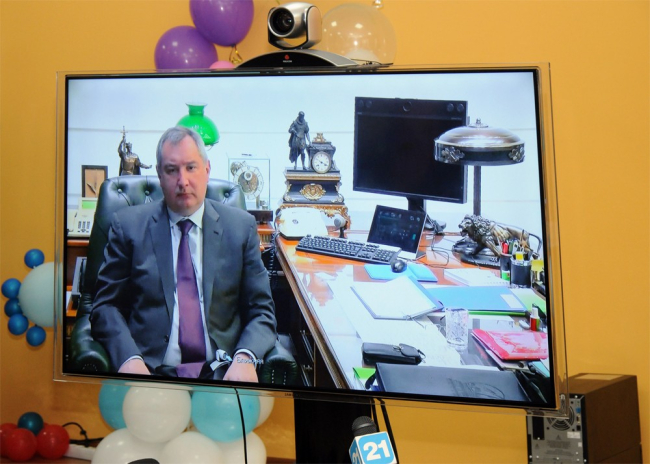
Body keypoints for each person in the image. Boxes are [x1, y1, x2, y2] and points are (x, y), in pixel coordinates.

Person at [90, 126, 277, 382]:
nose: (183, 181)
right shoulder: (128, 227)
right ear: (159, 174)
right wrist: (129, 358)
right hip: (150, 371)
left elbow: (262, 311)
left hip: (222, 372)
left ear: (207, 170)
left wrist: (245, 358)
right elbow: (105, 306)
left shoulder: (240, 228)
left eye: (191, 167)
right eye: (171, 170)